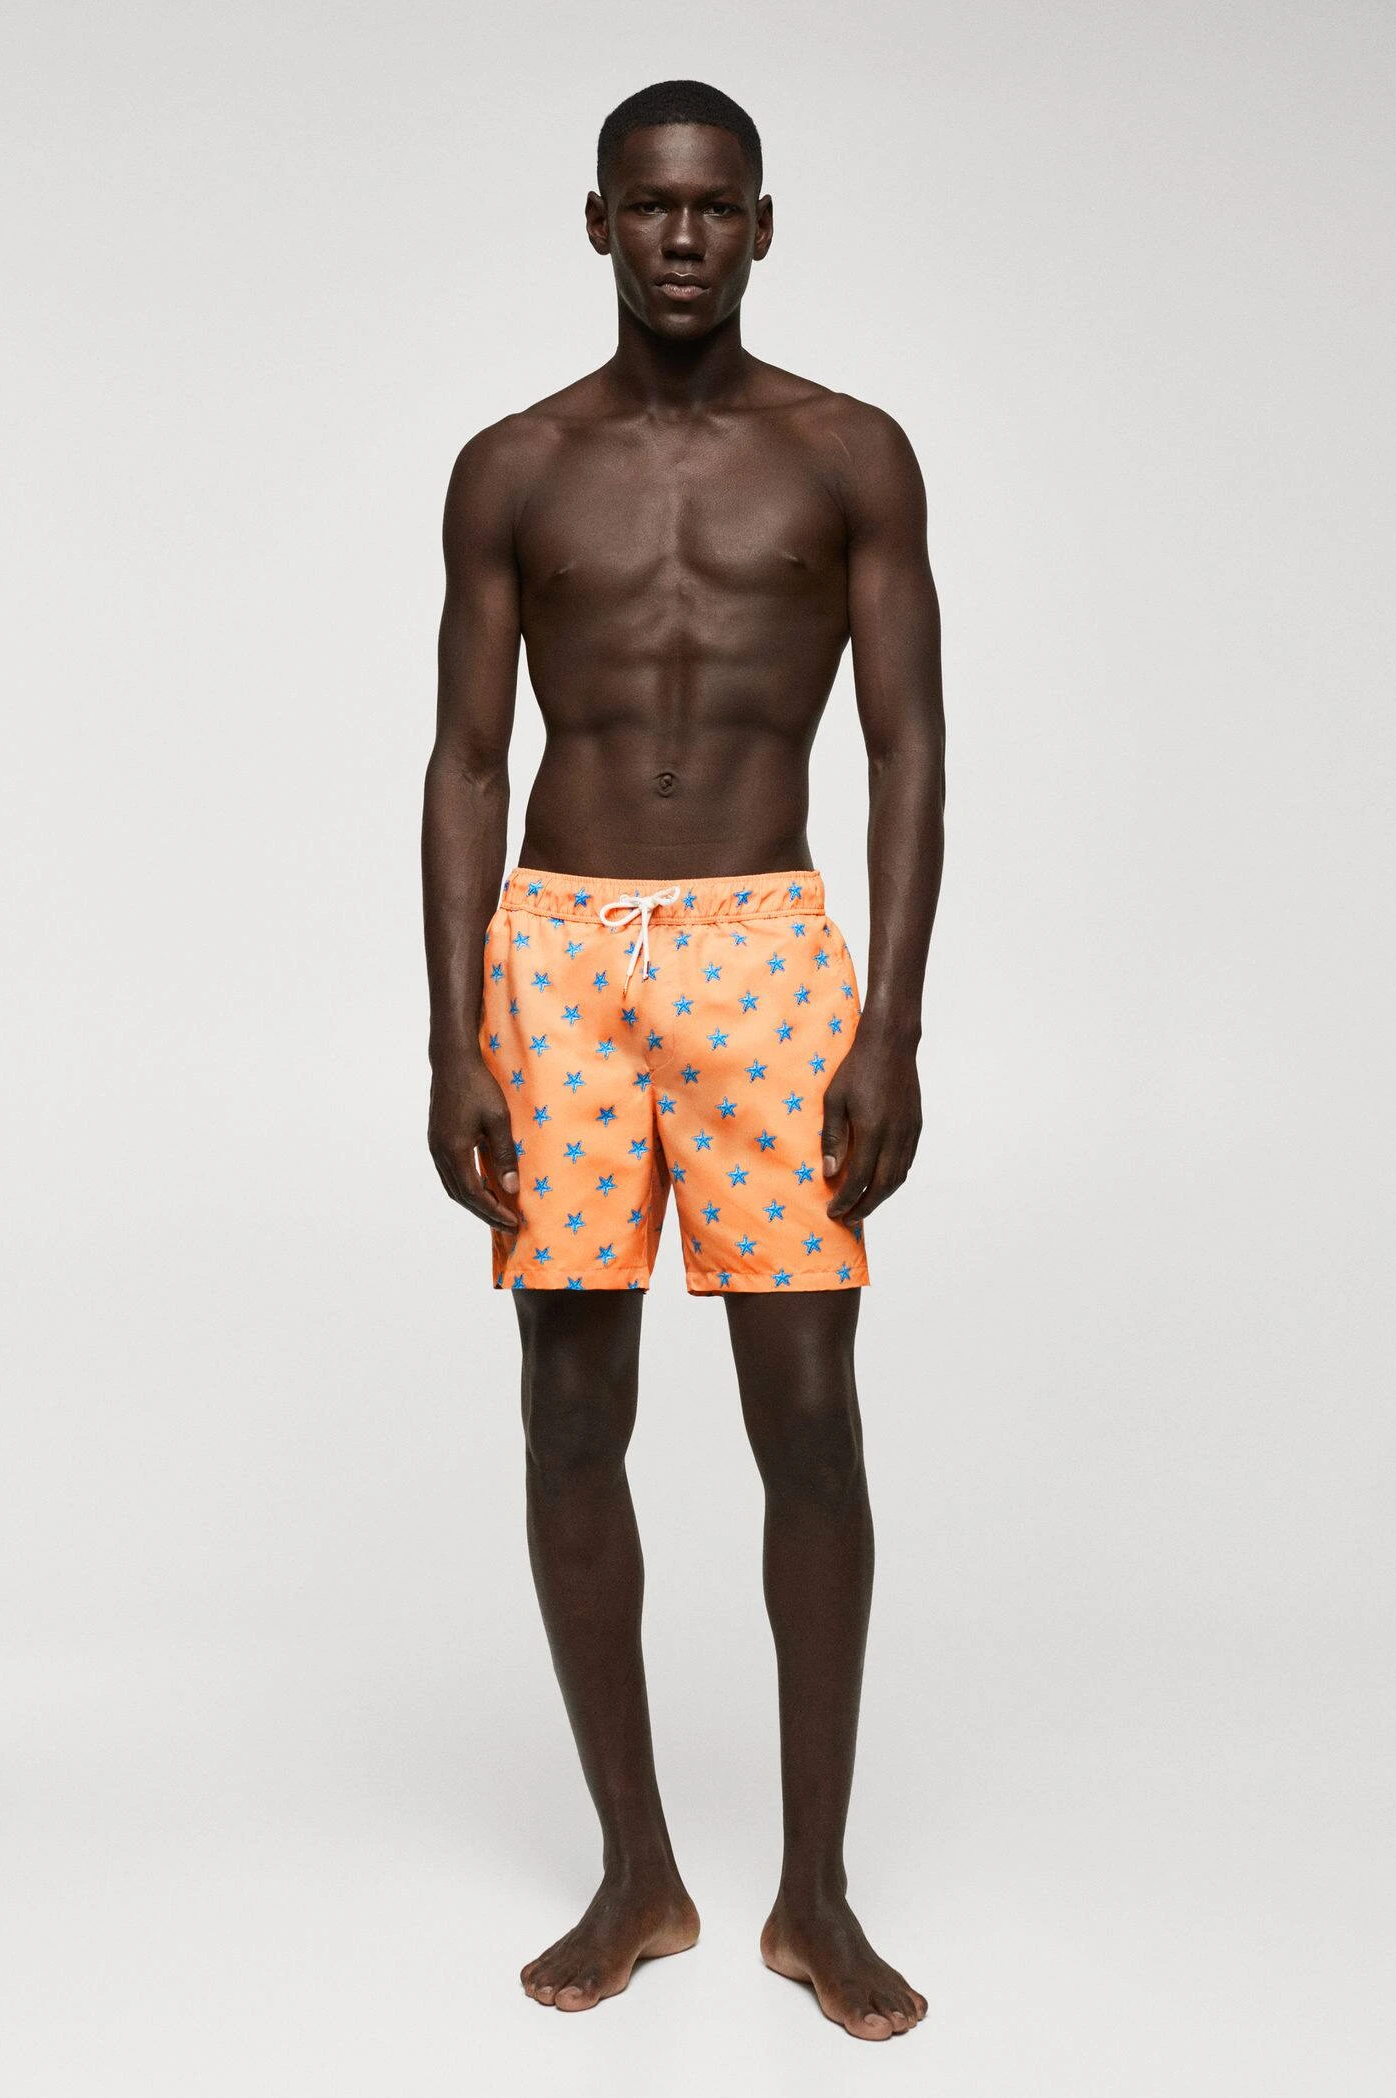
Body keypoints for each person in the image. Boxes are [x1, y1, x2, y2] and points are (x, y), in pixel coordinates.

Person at [421, 78, 943, 2042]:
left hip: (764, 955)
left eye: (716, 207)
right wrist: (453, 1027)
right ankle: (636, 1865)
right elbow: (467, 758)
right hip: (556, 957)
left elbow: (908, 744)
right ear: (597, 223)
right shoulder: (514, 467)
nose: (683, 237)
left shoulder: (847, 454)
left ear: (764, 225)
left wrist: (890, 1019)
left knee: (810, 1417)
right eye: (650, 206)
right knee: (572, 1408)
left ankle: (816, 1891)